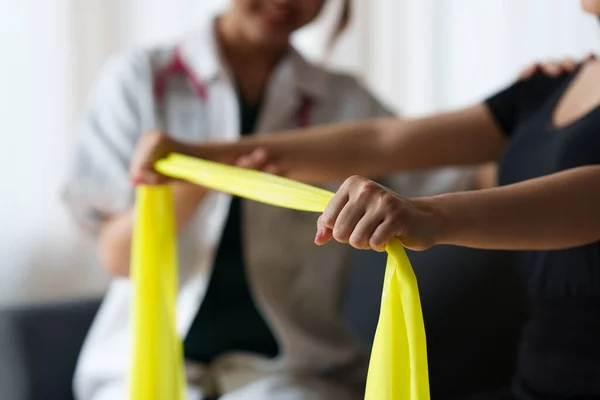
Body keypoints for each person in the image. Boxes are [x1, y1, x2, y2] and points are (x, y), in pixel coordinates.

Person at [130, 1, 600, 398]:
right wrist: (202, 155)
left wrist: (426, 216)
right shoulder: (548, 87)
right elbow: (383, 141)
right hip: (539, 379)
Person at [63, 1, 504, 399]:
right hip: (140, 367)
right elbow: (119, 257)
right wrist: (204, 170)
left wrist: (541, 113)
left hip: (291, 372)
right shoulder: (140, 78)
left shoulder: (348, 103)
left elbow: (464, 174)